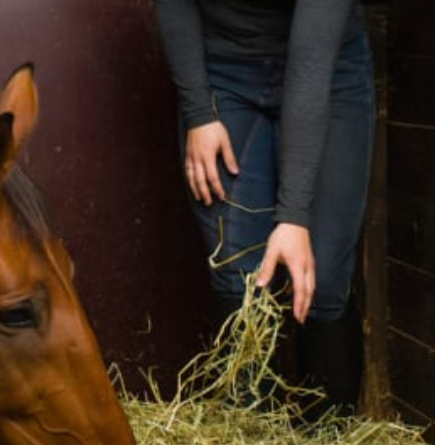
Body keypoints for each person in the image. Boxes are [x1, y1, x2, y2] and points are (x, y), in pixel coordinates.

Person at [153, 0, 375, 417]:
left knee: (321, 277)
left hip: (328, 73)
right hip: (224, 70)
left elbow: (310, 66)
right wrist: (199, 111)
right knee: (241, 275)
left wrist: (294, 216)